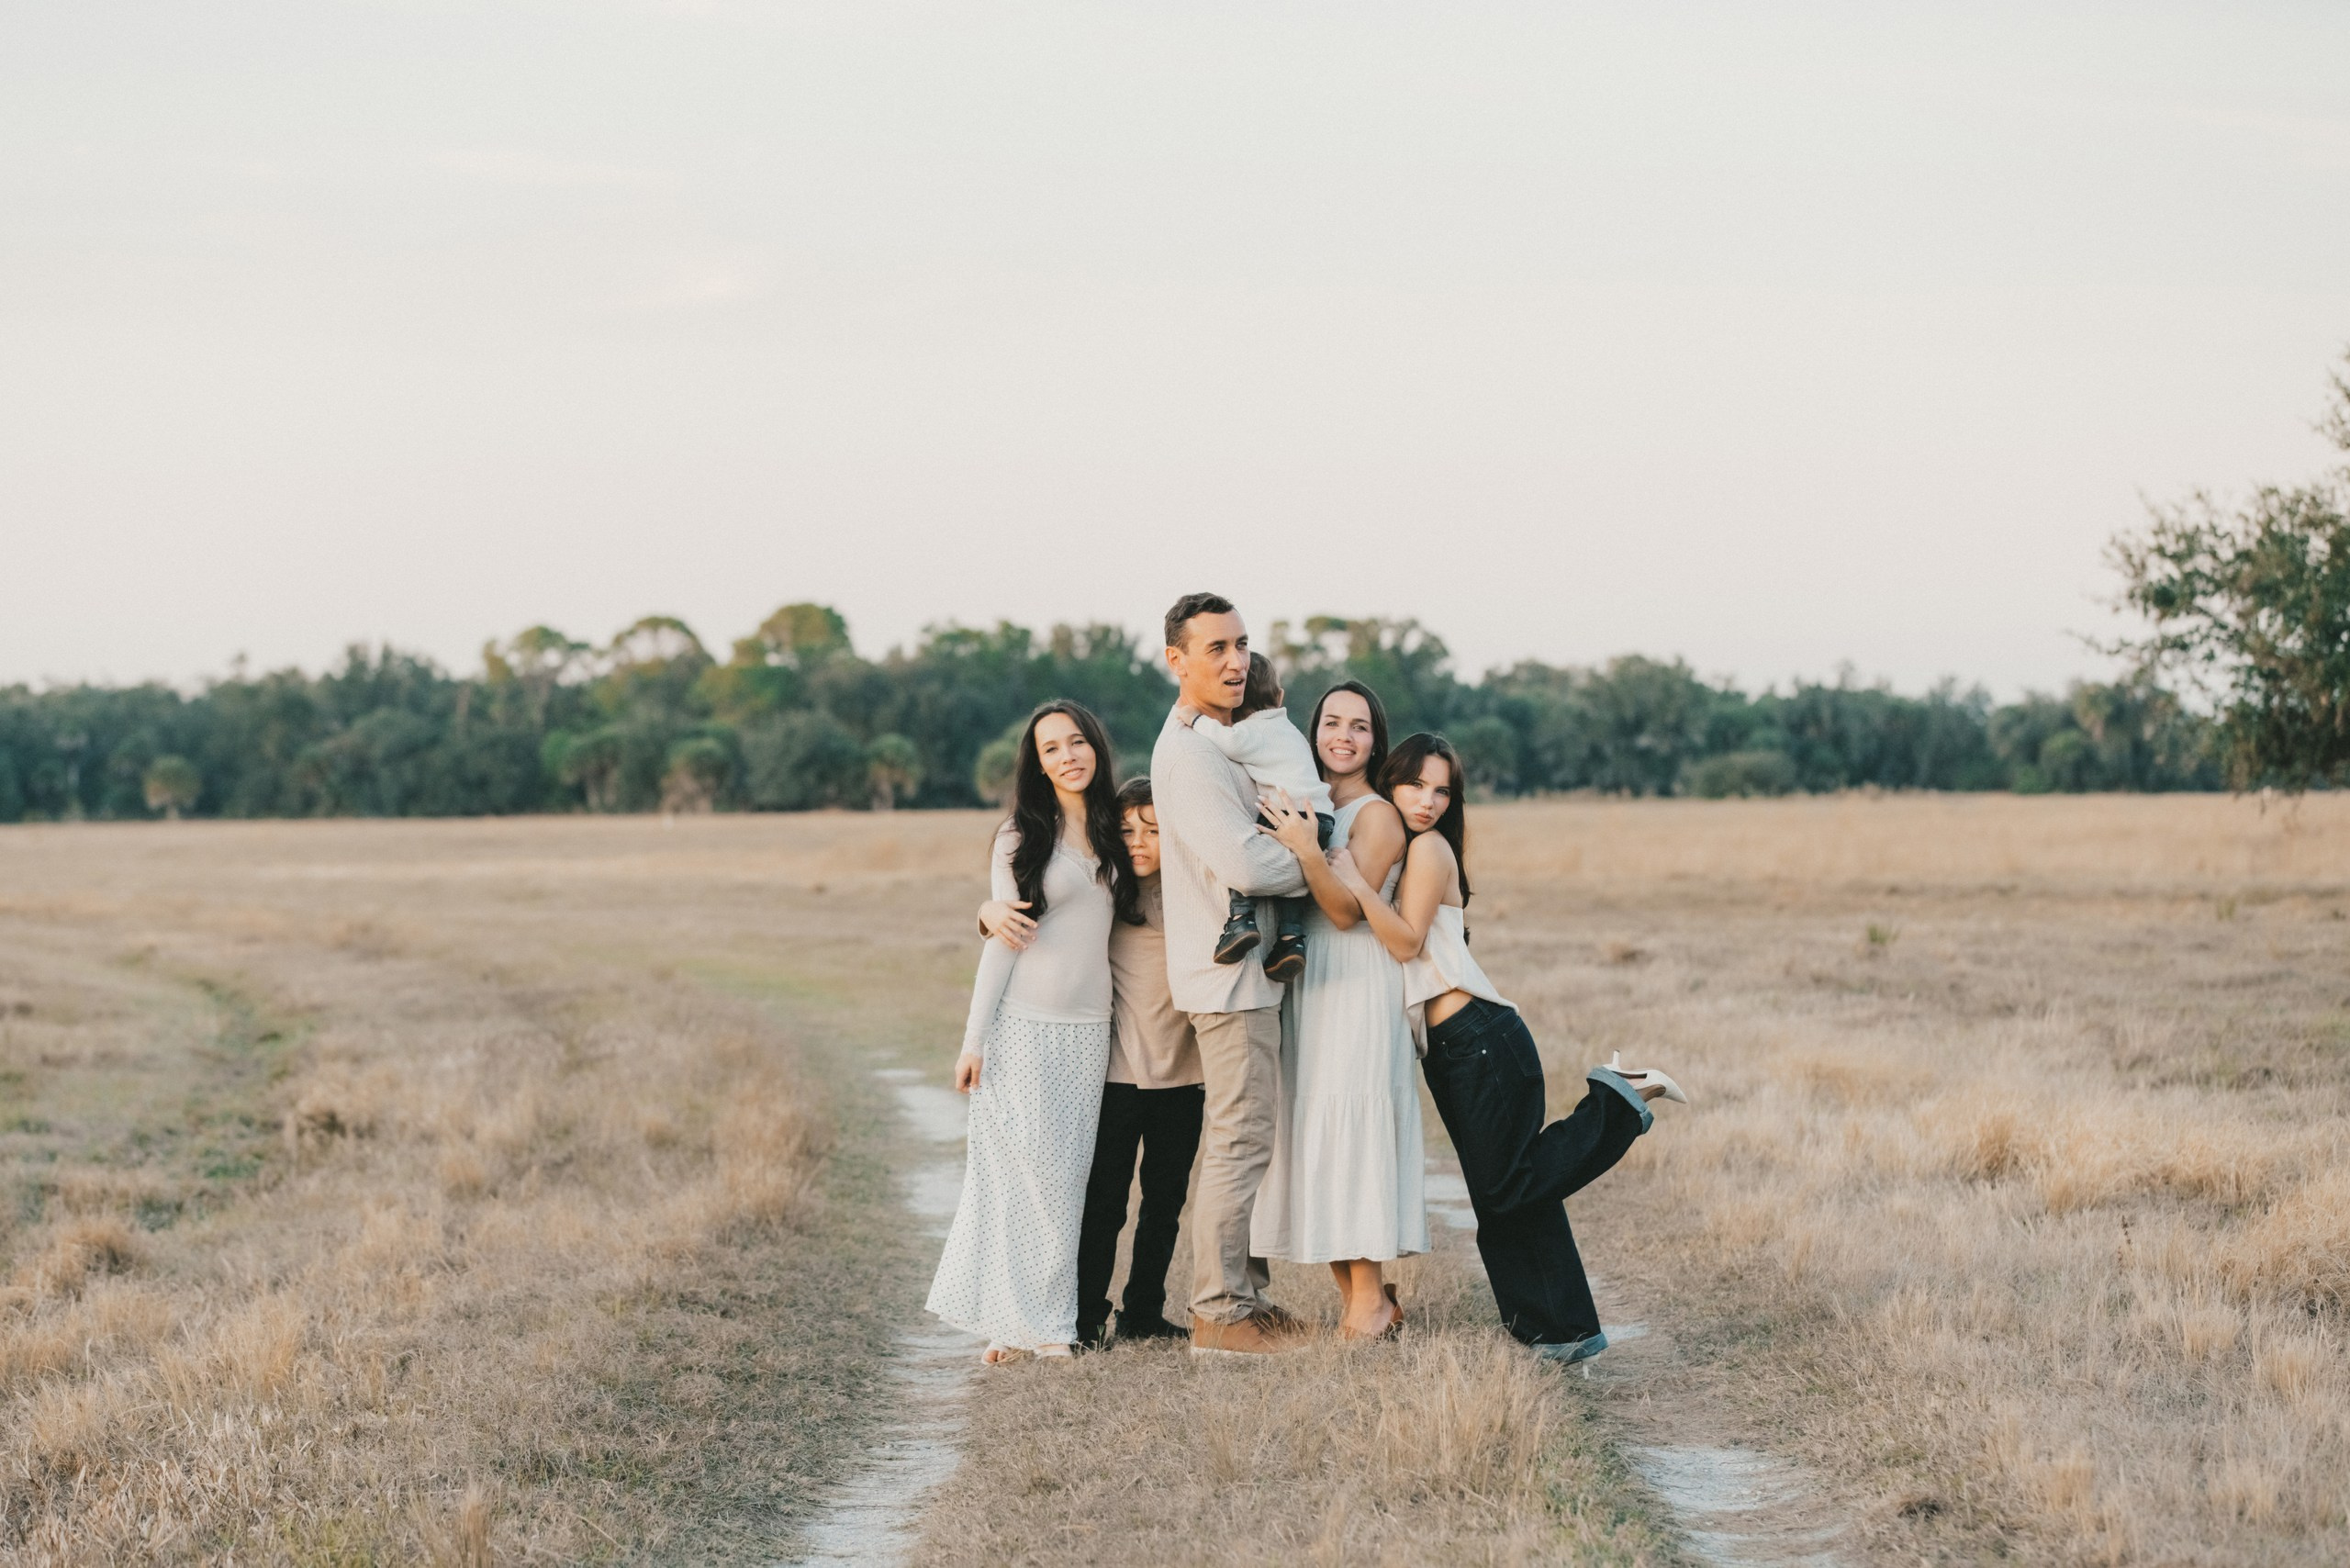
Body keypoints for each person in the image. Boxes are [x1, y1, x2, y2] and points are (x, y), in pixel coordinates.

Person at [1334, 732, 1688, 1364]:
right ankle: (1558, 1331)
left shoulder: (1430, 851)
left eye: (1442, 790)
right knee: (1509, 1194)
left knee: (1506, 1188)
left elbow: (1408, 943)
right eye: (1417, 785)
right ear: (1393, 783)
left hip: (1478, 1041)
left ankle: (1619, 1099)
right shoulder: (1410, 850)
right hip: (1459, 1047)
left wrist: (1356, 890)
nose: (1428, 801)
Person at [927, 701, 1140, 1364]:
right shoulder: (1020, 837)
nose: (1068, 756)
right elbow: (1002, 941)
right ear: (1038, 763)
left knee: (1062, 1181)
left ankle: (1024, 1323)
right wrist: (974, 1040)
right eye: (1051, 749)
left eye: (1077, 742)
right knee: (1019, 1180)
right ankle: (1039, 1327)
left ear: (1096, 749)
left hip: (1087, 1033)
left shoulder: (1115, 832)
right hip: (1021, 1029)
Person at [979, 777, 1203, 1350]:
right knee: (1104, 1202)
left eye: (1153, 830)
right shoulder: (1109, 891)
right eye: (1126, 830)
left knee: (1166, 1200)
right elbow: (1040, 916)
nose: (1138, 841)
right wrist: (987, 912)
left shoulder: (1193, 896)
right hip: (1118, 1073)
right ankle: (1083, 1317)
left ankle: (1143, 1310)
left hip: (1185, 1073)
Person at [1150, 592, 1311, 1357]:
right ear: (1177, 660)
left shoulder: (1210, 741)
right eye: (1215, 648)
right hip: (1230, 977)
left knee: (1244, 1134)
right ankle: (1218, 1311)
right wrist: (1323, 862)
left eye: (1242, 644)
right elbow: (1246, 861)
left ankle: (1245, 1297)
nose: (1236, 660)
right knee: (1239, 1138)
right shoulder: (1189, 757)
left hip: (1239, 972)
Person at [1250, 680, 1427, 1340]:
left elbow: (1346, 912)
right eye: (1331, 722)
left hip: (1356, 982)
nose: (1343, 737)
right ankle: (1369, 1297)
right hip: (1309, 982)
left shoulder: (1377, 816)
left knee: (1348, 1131)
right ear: (1312, 730)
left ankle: (1369, 1303)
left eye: (1358, 727)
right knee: (1316, 1135)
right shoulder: (1305, 801)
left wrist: (1302, 848)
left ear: (1375, 740)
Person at [1179, 652, 1337, 983]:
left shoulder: (1254, 730)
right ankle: (1291, 941)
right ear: (1279, 696)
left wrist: (1196, 719)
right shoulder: (1289, 730)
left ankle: (1240, 920)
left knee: (1249, 849)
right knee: (1295, 884)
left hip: (1287, 815)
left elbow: (1229, 742)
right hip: (1321, 818)